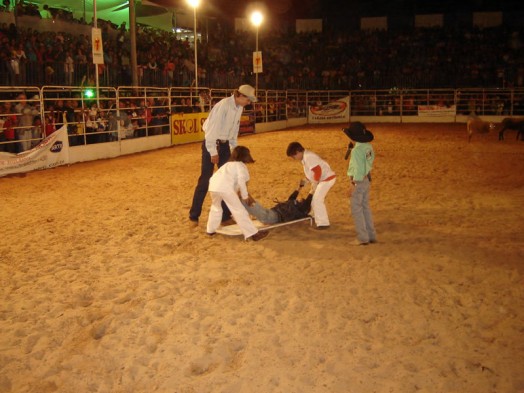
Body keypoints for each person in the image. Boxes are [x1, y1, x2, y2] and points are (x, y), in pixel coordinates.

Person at [189, 84, 257, 226]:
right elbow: (211, 131)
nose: (249, 102)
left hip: (225, 145)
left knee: (228, 180)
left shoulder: (239, 108)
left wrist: (233, 148)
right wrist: (213, 151)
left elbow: (234, 130)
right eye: (248, 99)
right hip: (212, 144)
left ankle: (225, 217)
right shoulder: (223, 106)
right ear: (240, 96)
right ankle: (194, 215)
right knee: (205, 180)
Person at [206, 146, 268, 241]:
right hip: (225, 187)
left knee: (216, 207)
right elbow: (241, 181)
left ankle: (210, 230)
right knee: (239, 210)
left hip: (213, 186)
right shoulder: (241, 166)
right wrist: (245, 196)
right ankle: (253, 233)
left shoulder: (227, 164)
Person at [286, 142, 336, 229]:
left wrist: (315, 184)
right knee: (315, 199)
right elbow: (313, 172)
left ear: (298, 151)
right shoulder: (305, 157)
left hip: (326, 179)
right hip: (323, 179)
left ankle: (323, 223)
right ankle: (316, 217)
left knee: (317, 200)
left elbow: (318, 171)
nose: (294, 158)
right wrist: (306, 180)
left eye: (294, 156)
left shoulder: (308, 157)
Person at [344, 121, 377, 246]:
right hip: (366, 179)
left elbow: (357, 169)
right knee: (365, 208)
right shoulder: (368, 146)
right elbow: (367, 163)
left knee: (356, 209)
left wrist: (353, 184)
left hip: (358, 180)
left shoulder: (357, 150)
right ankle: (371, 235)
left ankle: (362, 238)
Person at [242, 179, 313, 224]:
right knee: (251, 205)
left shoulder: (302, 209)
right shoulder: (293, 204)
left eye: (301, 200)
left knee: (253, 204)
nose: (299, 199)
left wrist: (312, 189)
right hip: (271, 213)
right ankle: (242, 196)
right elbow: (292, 197)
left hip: (273, 217)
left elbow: (308, 199)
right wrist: (300, 187)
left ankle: (242, 194)